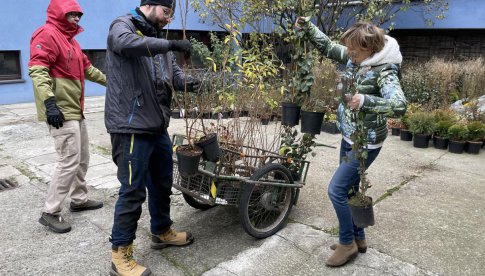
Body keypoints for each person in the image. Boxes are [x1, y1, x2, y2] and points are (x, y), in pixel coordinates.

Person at [296, 18, 407, 266]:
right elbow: (327, 47)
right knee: (348, 190)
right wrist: (309, 27)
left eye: (355, 51)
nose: (350, 54)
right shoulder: (353, 58)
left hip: (366, 143)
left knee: (336, 189)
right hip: (349, 137)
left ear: (371, 49)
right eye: (349, 50)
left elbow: (400, 105)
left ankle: (347, 244)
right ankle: (359, 237)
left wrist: (367, 101)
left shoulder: (385, 70)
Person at [105, 0, 200, 275]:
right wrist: (170, 45)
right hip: (131, 125)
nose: (169, 19)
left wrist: (192, 83)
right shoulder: (123, 26)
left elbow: (174, 76)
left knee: (162, 181)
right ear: (149, 5)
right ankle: (120, 253)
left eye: (171, 14)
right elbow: (126, 44)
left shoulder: (160, 39)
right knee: (133, 190)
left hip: (157, 124)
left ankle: (161, 230)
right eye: (166, 12)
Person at [29, 0, 106, 234]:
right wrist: (49, 104)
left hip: (76, 108)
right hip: (61, 112)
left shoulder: (71, 41)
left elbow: (88, 70)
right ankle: (50, 212)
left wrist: (114, 83)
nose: (77, 19)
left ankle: (79, 200)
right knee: (68, 161)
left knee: (82, 157)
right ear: (60, 13)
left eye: (79, 15)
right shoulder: (47, 34)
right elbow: (38, 69)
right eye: (72, 14)